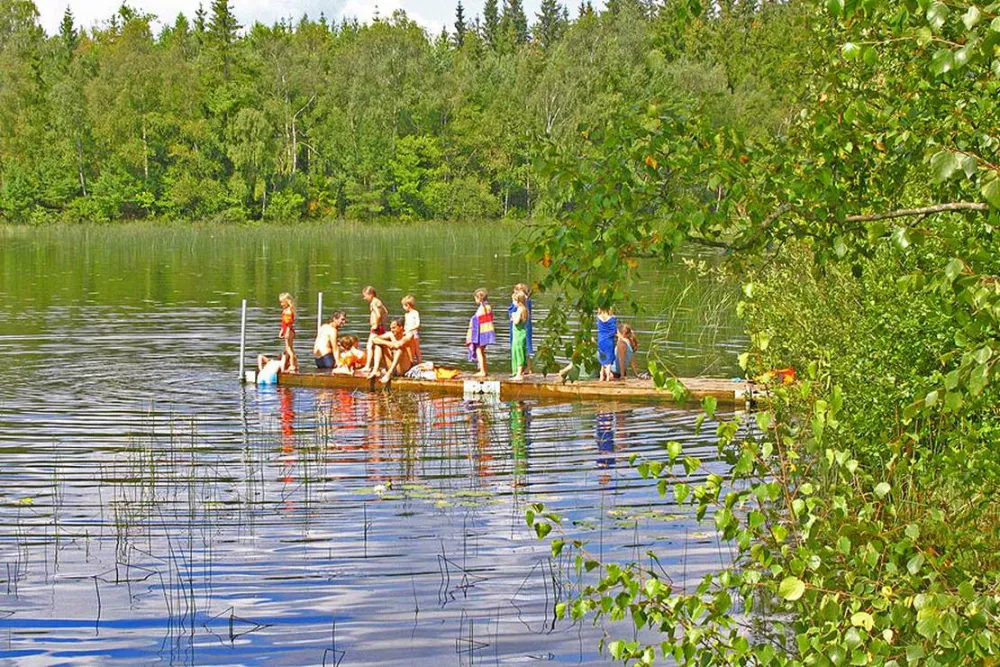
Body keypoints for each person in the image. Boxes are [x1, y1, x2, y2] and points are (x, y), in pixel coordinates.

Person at [368, 318, 416, 383]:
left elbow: (399, 344)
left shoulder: (408, 335)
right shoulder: (390, 334)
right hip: (393, 366)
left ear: (401, 327)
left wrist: (391, 345)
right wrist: (388, 343)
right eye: (391, 328)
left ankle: (389, 374)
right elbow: (374, 339)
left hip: (405, 368)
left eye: (394, 328)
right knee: (378, 345)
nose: (392, 330)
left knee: (400, 349)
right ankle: (375, 370)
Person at [466, 288, 496, 378]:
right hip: (487, 332)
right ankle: (484, 369)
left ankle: (482, 371)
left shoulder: (482, 308)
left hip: (481, 333)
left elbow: (476, 321)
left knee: (479, 350)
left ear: (479, 298)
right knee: (482, 351)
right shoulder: (488, 307)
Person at [361, 286, 389, 373]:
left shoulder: (373, 303)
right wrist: (382, 323)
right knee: (379, 347)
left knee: (369, 346)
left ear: (371, 294)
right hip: (381, 327)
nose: (364, 298)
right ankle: (383, 366)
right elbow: (386, 312)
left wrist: (376, 324)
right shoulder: (379, 302)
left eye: (365, 296)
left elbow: (378, 314)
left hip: (376, 329)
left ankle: (367, 366)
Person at [507, 283, 534, 375]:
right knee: (521, 347)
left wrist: (514, 305)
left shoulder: (524, 302)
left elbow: (514, 313)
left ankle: (527, 368)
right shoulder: (523, 301)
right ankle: (525, 367)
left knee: (525, 347)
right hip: (518, 327)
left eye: (516, 291)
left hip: (522, 327)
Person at [509, 290, 529, 381]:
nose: (513, 303)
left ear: (519, 301)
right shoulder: (522, 309)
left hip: (519, 335)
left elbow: (517, 322)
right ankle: (517, 372)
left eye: (514, 301)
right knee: (516, 352)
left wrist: (513, 316)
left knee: (519, 352)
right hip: (518, 334)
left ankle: (519, 374)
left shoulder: (521, 309)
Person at [596, 306, 617, 382]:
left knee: (603, 357)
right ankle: (608, 377)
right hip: (609, 341)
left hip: (601, 340)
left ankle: (601, 375)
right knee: (609, 359)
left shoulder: (598, 317)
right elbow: (614, 330)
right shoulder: (612, 318)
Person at [278, 293, 298, 372]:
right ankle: (295, 364)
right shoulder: (285, 310)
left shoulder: (289, 311)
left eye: (282, 302)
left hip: (289, 331)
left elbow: (289, 324)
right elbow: (284, 323)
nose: (281, 304)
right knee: (290, 348)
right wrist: (281, 331)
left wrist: (286, 332)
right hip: (287, 330)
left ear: (287, 301)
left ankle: (292, 365)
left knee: (289, 349)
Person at [401, 295, 422, 364]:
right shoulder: (406, 315)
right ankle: (410, 363)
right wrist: (404, 331)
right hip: (407, 334)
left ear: (408, 305)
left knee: (417, 351)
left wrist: (410, 329)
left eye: (403, 306)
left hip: (414, 334)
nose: (403, 307)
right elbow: (405, 325)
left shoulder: (415, 313)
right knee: (409, 350)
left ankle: (420, 364)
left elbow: (417, 324)